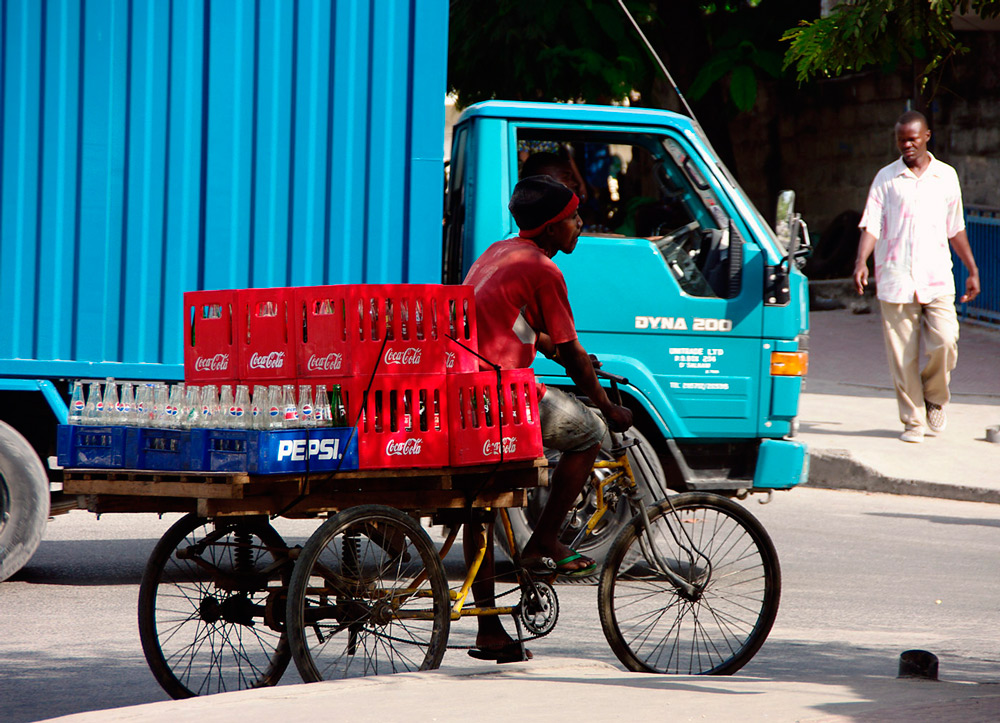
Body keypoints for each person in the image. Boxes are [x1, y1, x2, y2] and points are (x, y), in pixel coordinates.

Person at [460, 175, 633, 662]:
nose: (580, 226)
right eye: (576, 218)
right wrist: (607, 405)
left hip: (463, 390)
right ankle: (544, 541)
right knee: (589, 432)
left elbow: (516, 324)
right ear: (554, 226)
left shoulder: (501, 252)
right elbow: (571, 353)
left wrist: (567, 355)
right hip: (498, 393)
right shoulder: (544, 271)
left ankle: (490, 630)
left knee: (483, 505)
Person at [853, 110, 981, 444]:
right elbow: (872, 224)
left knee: (945, 340)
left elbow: (956, 227)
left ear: (927, 136)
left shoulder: (946, 176)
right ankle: (912, 421)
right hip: (895, 278)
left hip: (937, 276)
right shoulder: (886, 178)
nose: (906, 145)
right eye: (901, 140)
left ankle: (934, 396)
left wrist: (972, 268)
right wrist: (861, 261)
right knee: (902, 356)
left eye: (912, 139)